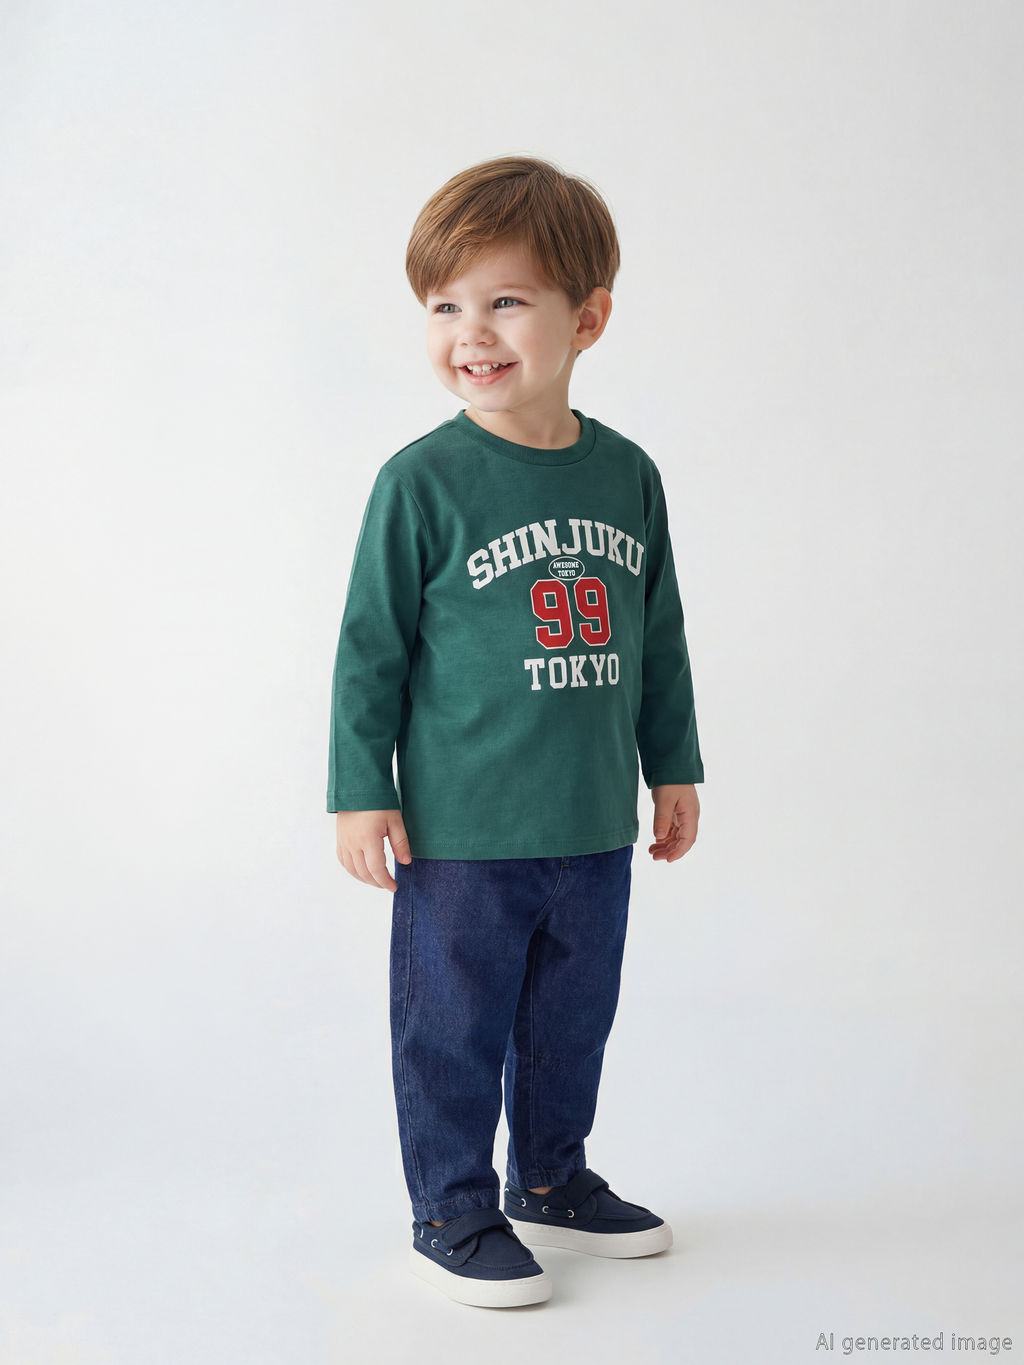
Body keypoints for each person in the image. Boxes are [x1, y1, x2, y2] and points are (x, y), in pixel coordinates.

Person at [327, 155, 704, 1308]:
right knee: (452, 1028)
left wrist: (673, 768)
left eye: (504, 300)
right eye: (444, 306)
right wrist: (360, 789)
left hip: (591, 821)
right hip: (464, 833)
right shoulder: (422, 483)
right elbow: (370, 651)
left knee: (568, 1022)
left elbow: (658, 635)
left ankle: (549, 1180)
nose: (470, 333)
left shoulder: (627, 475)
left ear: (586, 318)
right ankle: (450, 1208)